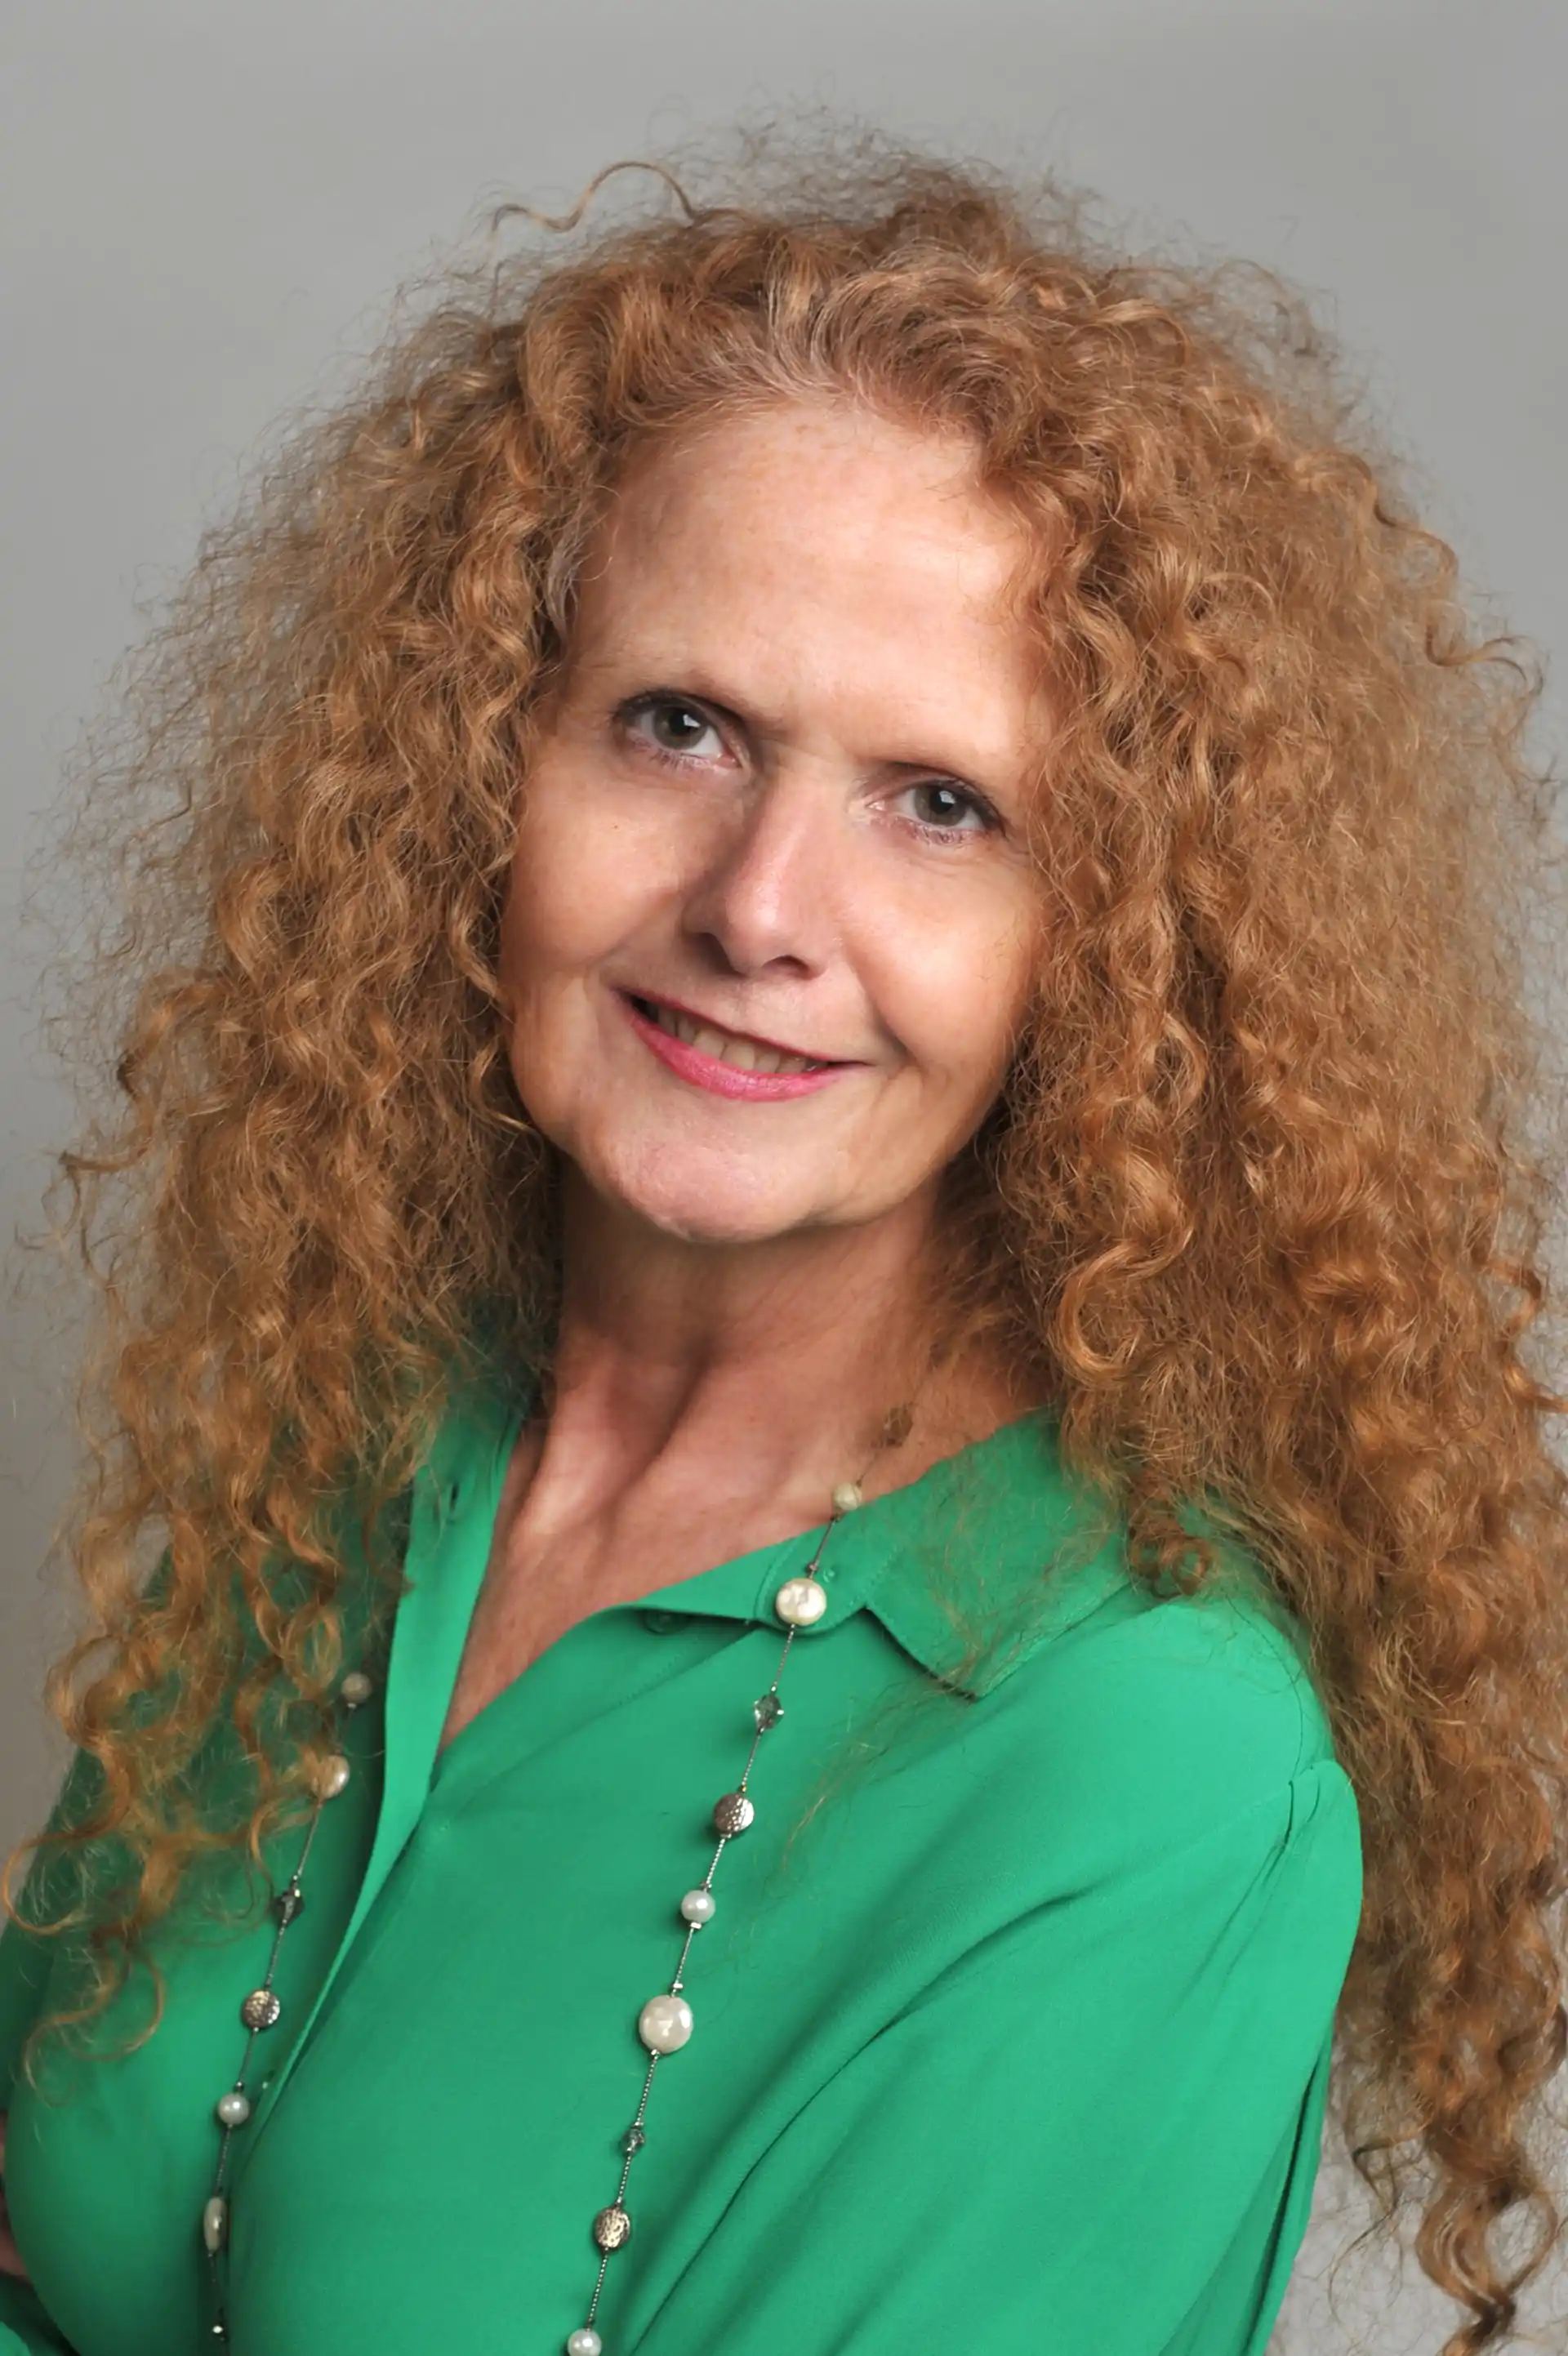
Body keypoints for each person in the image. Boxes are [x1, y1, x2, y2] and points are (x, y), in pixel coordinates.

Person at [1, 136, 1565, 2356]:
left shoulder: (1143, 1762)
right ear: (481, 773)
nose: (756, 908)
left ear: (1104, 952)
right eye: (680, 725)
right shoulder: (345, 1438)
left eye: (940, 803)